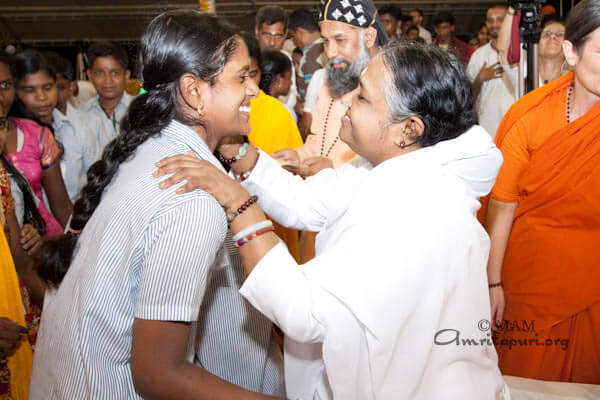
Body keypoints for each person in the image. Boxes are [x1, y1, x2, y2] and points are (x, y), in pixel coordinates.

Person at [155, 41, 506, 400]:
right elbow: (304, 201)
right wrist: (239, 153)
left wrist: (237, 202)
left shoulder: (413, 212)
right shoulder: (392, 170)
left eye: (364, 98)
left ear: (408, 130)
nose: (349, 102)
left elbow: (302, 310)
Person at [29, 12, 284, 399]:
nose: (254, 90)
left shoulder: (144, 151)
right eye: (242, 77)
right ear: (194, 91)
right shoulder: (192, 198)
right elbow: (157, 374)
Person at [484, 0, 600, 384]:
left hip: (594, 284)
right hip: (533, 283)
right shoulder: (531, 116)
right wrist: (492, 281)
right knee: (528, 383)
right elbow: (502, 206)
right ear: (572, 50)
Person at [242, 33, 303, 262]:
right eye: (239, 76)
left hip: (276, 223)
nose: (250, 87)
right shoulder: (211, 116)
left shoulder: (276, 112)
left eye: (252, 74)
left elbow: (296, 175)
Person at [15, 50, 102, 202]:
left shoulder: (78, 128)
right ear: (16, 92)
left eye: (48, 87)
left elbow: (96, 182)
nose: (41, 97)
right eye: (30, 90)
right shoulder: (13, 139)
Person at [4, 53, 72, 237]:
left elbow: (62, 207)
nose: (41, 97)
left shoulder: (36, 135)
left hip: (42, 241)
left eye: (4, 86)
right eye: (29, 90)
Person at [466, 4, 517, 138]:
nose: (494, 24)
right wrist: (479, 80)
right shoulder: (478, 55)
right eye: (490, 20)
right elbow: (467, 97)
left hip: (517, 124)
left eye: (500, 19)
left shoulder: (522, 52)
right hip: (488, 127)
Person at [82, 41, 134, 147]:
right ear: (90, 75)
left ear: (126, 76)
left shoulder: (140, 112)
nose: (107, 81)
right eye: (100, 73)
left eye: (114, 73)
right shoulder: (81, 115)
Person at [497, 11, 567, 87]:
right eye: (547, 34)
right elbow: (504, 49)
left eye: (560, 34)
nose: (553, 37)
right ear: (536, 44)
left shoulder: (574, 78)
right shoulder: (524, 72)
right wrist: (513, 8)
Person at [254, 6, 297, 122]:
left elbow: (291, 99)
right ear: (257, 32)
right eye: (267, 35)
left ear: (286, 34)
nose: (272, 42)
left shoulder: (286, 59)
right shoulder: (247, 59)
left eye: (278, 36)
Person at [288, 8, 326, 103]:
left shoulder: (310, 58)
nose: (293, 42)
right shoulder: (328, 47)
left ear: (299, 32)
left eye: (292, 36)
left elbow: (313, 100)